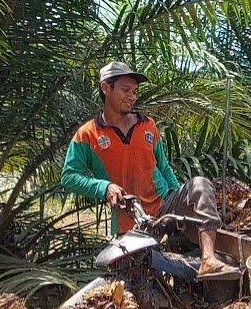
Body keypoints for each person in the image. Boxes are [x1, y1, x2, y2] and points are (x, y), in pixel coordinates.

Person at [60, 61, 240, 279]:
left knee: (200, 184)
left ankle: (208, 260)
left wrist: (178, 197)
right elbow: (69, 177)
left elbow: (163, 167)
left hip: (163, 208)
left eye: (135, 92)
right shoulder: (88, 134)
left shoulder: (147, 126)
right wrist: (104, 187)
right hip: (130, 220)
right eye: (125, 90)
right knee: (138, 281)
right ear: (106, 88)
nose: (132, 97)